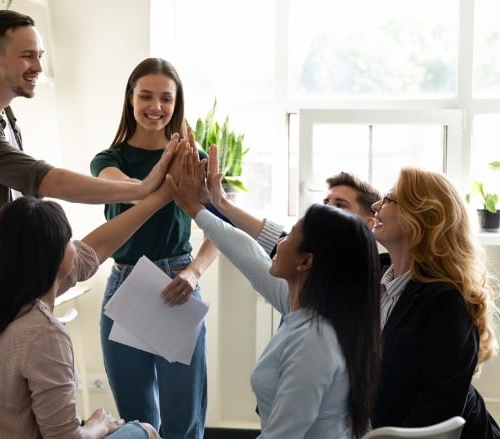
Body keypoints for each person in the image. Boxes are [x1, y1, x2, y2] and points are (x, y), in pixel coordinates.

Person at [0, 10, 172, 359]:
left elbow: (88, 251)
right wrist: (142, 189)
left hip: (3, 282)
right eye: (27, 55)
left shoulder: (3, 115)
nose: (38, 66)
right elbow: (45, 179)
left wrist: (150, 195)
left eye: (39, 56)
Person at [167, 145, 381, 438]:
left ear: (306, 261)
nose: (279, 242)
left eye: (291, 235)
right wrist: (197, 208)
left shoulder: (313, 340)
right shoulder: (312, 309)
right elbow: (248, 254)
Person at [0, 179, 183, 438]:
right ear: (54, 258)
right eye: (70, 239)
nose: (76, 245)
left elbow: (93, 251)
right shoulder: (43, 333)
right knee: (145, 430)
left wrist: (159, 198)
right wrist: (97, 425)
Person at [89, 57, 218, 438]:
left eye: (166, 98)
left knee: (184, 416)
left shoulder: (193, 161)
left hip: (176, 284)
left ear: (177, 103)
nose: (156, 107)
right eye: (146, 96)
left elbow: (218, 233)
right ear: (130, 98)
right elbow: (132, 192)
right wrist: (166, 172)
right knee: (137, 419)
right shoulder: (107, 161)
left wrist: (194, 272)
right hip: (124, 285)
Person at [370, 167, 500, 439]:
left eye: (388, 199)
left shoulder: (446, 303)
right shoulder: (376, 276)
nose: (375, 205)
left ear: (418, 218)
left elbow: (435, 412)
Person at [204, 165, 381, 257]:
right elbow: (276, 239)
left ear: (368, 224)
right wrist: (219, 203)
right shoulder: (313, 255)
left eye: (340, 206)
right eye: (326, 203)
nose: (326, 211)